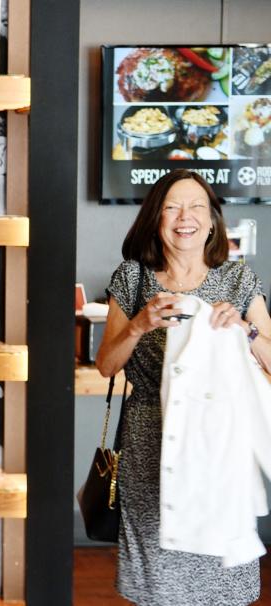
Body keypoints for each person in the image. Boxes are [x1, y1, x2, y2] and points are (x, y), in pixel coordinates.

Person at [95, 169, 271, 605]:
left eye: (196, 206)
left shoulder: (237, 281)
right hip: (149, 447)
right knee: (159, 582)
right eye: (172, 207)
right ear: (156, 218)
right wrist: (139, 324)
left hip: (218, 448)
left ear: (212, 220)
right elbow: (106, 365)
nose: (184, 217)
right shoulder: (133, 278)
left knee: (220, 580)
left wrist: (247, 331)